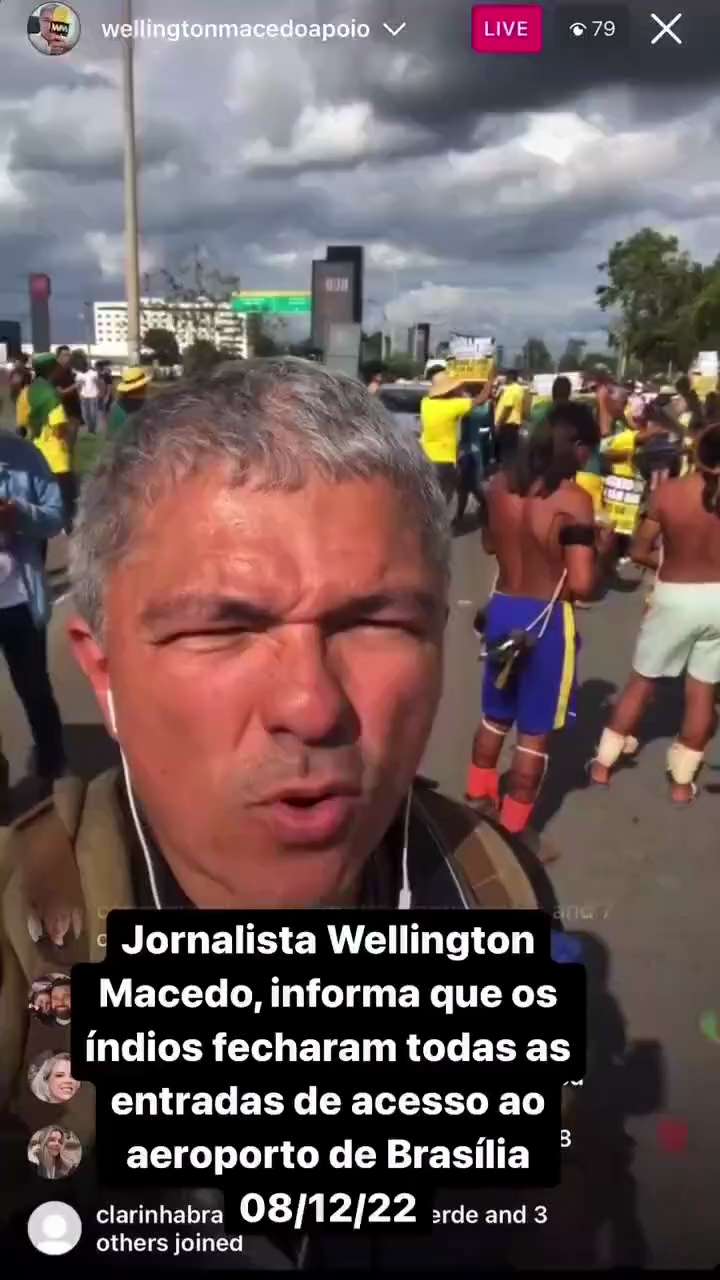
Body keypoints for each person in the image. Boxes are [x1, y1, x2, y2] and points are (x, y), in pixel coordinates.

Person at [0, 359, 545, 1269]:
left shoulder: (488, 892)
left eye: (375, 621)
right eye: (221, 627)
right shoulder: (20, 954)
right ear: (102, 670)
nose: (312, 705)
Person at [466, 402, 602, 834]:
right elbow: (581, 585)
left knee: (494, 716)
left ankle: (476, 802)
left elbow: (490, 546)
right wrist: (604, 546)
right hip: (546, 621)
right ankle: (512, 833)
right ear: (575, 447)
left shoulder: (500, 486)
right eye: (588, 450)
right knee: (534, 736)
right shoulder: (574, 501)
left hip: (503, 609)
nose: (588, 460)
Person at [590, 422, 720, 804]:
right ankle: (681, 784)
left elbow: (640, 550)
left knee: (642, 681)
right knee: (702, 691)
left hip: (676, 594)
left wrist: (665, 562)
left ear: (697, 453)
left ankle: (602, 765)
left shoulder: (670, 494)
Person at [0, 429, 66, 788]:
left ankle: (53, 766)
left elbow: (55, 516)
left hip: (20, 602)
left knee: (34, 688)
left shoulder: (26, 457)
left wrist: (19, 514)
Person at [18, 353, 77, 536]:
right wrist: (69, 438)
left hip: (37, 452)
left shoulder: (27, 392)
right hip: (57, 456)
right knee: (66, 498)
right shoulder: (52, 396)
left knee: (43, 497)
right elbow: (59, 427)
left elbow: (22, 423)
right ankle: (68, 530)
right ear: (52, 369)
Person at [420, 371, 488, 505]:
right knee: (444, 499)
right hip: (445, 460)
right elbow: (482, 399)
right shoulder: (454, 406)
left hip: (425, 457)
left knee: (429, 499)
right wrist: (490, 379)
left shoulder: (425, 403)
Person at [455, 381, 493, 526]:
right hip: (466, 450)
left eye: (464, 391)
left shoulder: (475, 408)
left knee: (473, 485)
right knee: (465, 486)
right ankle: (461, 515)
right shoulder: (464, 407)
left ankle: (487, 509)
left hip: (471, 450)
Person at [105, 366, 152, 439]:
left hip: (119, 448)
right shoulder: (149, 407)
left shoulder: (115, 406)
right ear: (142, 386)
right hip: (139, 448)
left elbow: (110, 436)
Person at [494, 368, 525, 464]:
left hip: (507, 425)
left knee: (506, 453)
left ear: (510, 377)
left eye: (506, 377)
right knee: (512, 452)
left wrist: (499, 424)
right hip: (514, 424)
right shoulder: (520, 389)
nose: (505, 379)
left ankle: (506, 474)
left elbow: (508, 407)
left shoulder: (511, 389)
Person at [50, 346, 82, 428]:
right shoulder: (55, 372)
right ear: (58, 357)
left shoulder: (68, 370)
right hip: (64, 410)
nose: (68, 357)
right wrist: (75, 386)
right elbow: (60, 393)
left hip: (73, 408)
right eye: (65, 355)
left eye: (69, 355)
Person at [75, 362, 100, 434]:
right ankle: (90, 428)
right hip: (84, 396)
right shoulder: (79, 374)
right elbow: (77, 385)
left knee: (93, 413)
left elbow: (98, 383)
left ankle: (92, 429)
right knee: (85, 414)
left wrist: (96, 382)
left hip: (93, 396)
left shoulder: (94, 373)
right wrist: (79, 394)